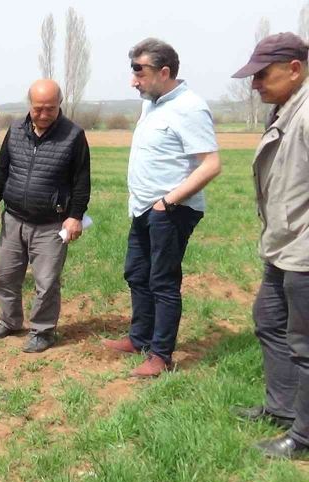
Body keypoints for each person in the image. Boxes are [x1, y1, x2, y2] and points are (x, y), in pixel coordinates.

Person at [102, 38, 221, 377]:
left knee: (162, 281)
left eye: (140, 72)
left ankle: (161, 356)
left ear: (164, 71)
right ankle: (139, 339)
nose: (133, 81)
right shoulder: (151, 103)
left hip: (171, 210)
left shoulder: (191, 107)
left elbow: (210, 165)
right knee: (136, 274)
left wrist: (166, 203)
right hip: (144, 209)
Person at [230, 32, 309, 460]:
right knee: (268, 319)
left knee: (304, 342)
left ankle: (304, 436)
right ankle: (282, 409)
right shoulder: (286, 108)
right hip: (283, 245)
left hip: (304, 251)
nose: (255, 84)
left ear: (294, 69)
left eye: (262, 75)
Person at [0, 79, 91, 353]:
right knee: (6, 276)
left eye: (50, 109)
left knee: (46, 283)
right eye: (38, 109)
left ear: (59, 106)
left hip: (51, 223)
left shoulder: (73, 135)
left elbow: (81, 181)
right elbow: (2, 168)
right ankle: (10, 320)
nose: (43, 115)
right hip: (14, 219)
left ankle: (43, 331)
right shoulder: (16, 130)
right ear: (29, 105)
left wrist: (75, 216)